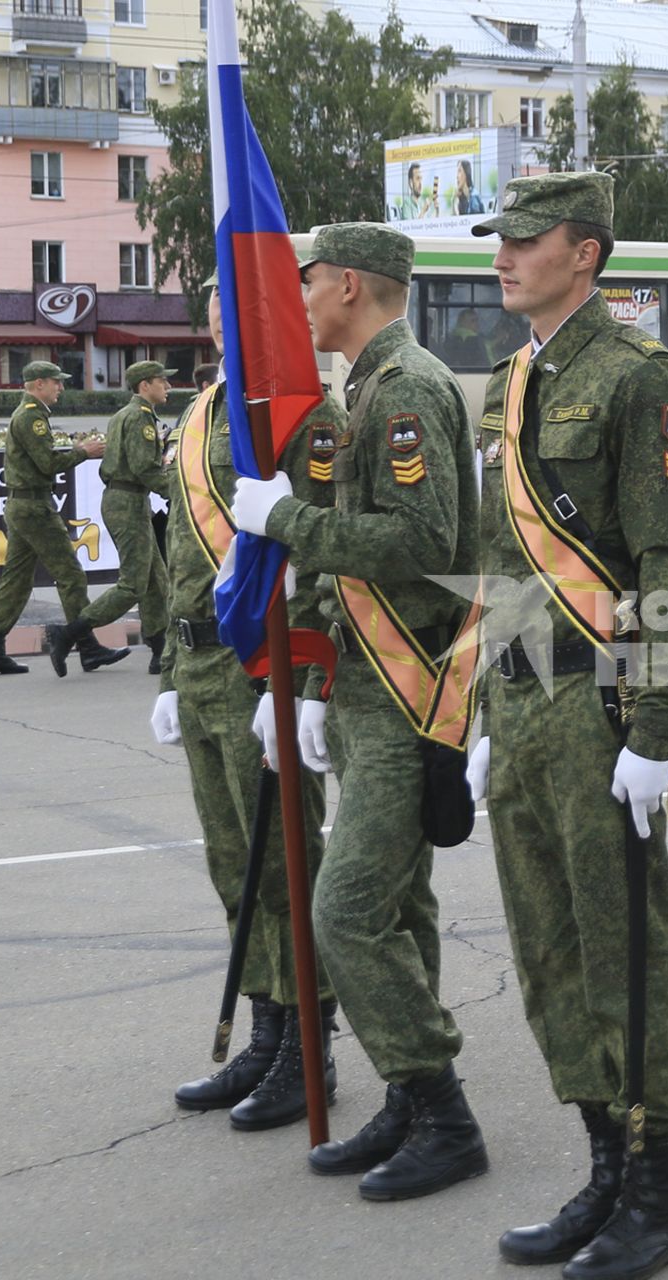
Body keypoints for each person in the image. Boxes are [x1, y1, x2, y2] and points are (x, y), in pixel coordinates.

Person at [468, 171, 668, 1279]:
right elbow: (506, 571)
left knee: (623, 951)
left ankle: (657, 1191)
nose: (506, 256)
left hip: (600, 705)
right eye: (501, 240)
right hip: (524, 702)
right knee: (550, 952)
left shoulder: (636, 379)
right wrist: (481, 709)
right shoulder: (513, 380)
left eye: (528, 239)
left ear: (588, 251)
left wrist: (656, 728)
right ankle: (602, 1163)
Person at [230, 223, 489, 1198]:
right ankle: (409, 1100)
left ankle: (445, 1110)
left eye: (305, 281)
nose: (294, 298)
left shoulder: (408, 388)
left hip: (406, 686)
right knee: (399, 902)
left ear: (347, 283)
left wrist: (285, 520)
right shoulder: (373, 385)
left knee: (343, 911)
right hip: (368, 682)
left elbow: (418, 540)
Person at [160, 276, 339, 1136]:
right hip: (196, 668)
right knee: (234, 867)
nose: (223, 323)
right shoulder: (200, 413)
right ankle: (267, 1033)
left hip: (254, 670)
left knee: (284, 871)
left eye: (236, 306)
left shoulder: (292, 415)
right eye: (215, 309)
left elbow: (314, 558)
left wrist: (296, 678)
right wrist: (166, 669)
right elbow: (176, 554)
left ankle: (311, 1050)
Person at [0, 362, 124, 676]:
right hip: (34, 508)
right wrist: (83, 452)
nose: (60, 388)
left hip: (22, 507)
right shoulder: (32, 416)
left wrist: (74, 450)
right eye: (56, 382)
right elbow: (46, 463)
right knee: (70, 575)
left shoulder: (29, 413)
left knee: (16, 581)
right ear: (39, 384)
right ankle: (86, 645)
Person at [48, 361, 173, 677]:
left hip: (126, 500)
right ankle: (69, 634)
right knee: (133, 584)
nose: (168, 387)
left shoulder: (125, 415)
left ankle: (161, 653)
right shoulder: (140, 419)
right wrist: (179, 491)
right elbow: (145, 468)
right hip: (128, 501)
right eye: (162, 381)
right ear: (144, 386)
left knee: (156, 580)